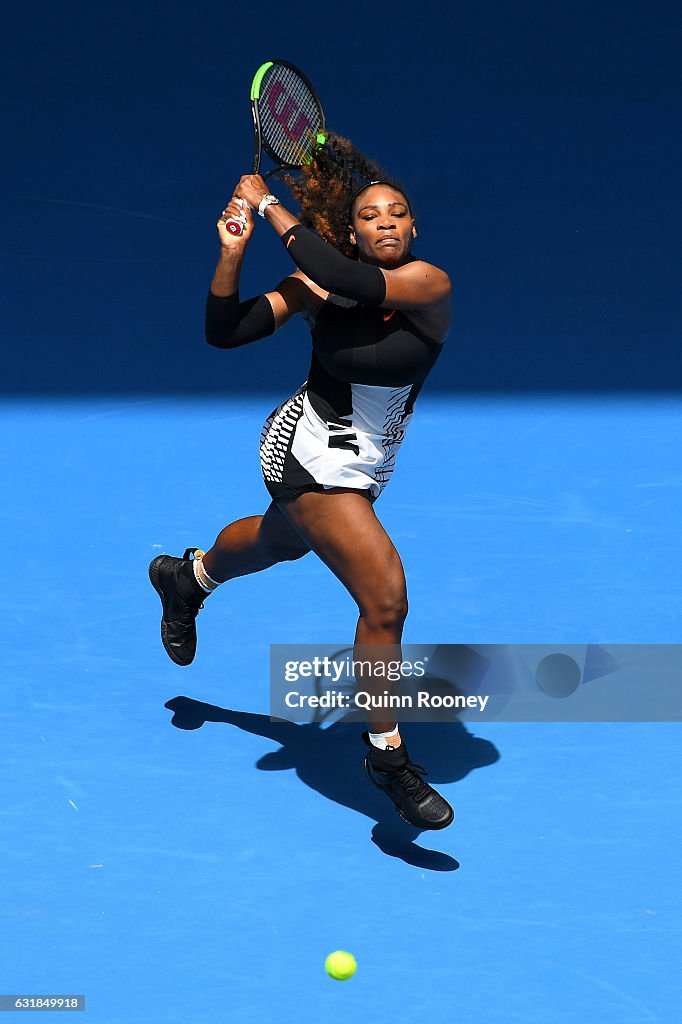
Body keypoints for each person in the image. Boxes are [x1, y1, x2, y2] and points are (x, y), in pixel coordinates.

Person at [149, 135, 454, 830]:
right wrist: (232, 252)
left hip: (366, 466)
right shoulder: (317, 283)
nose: (384, 222)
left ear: (412, 229)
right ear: (349, 230)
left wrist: (270, 207)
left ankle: (186, 578)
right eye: (370, 215)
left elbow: (352, 284)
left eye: (396, 213)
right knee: (385, 598)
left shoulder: (428, 286)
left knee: (276, 543)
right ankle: (387, 755)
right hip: (306, 451)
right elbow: (226, 331)